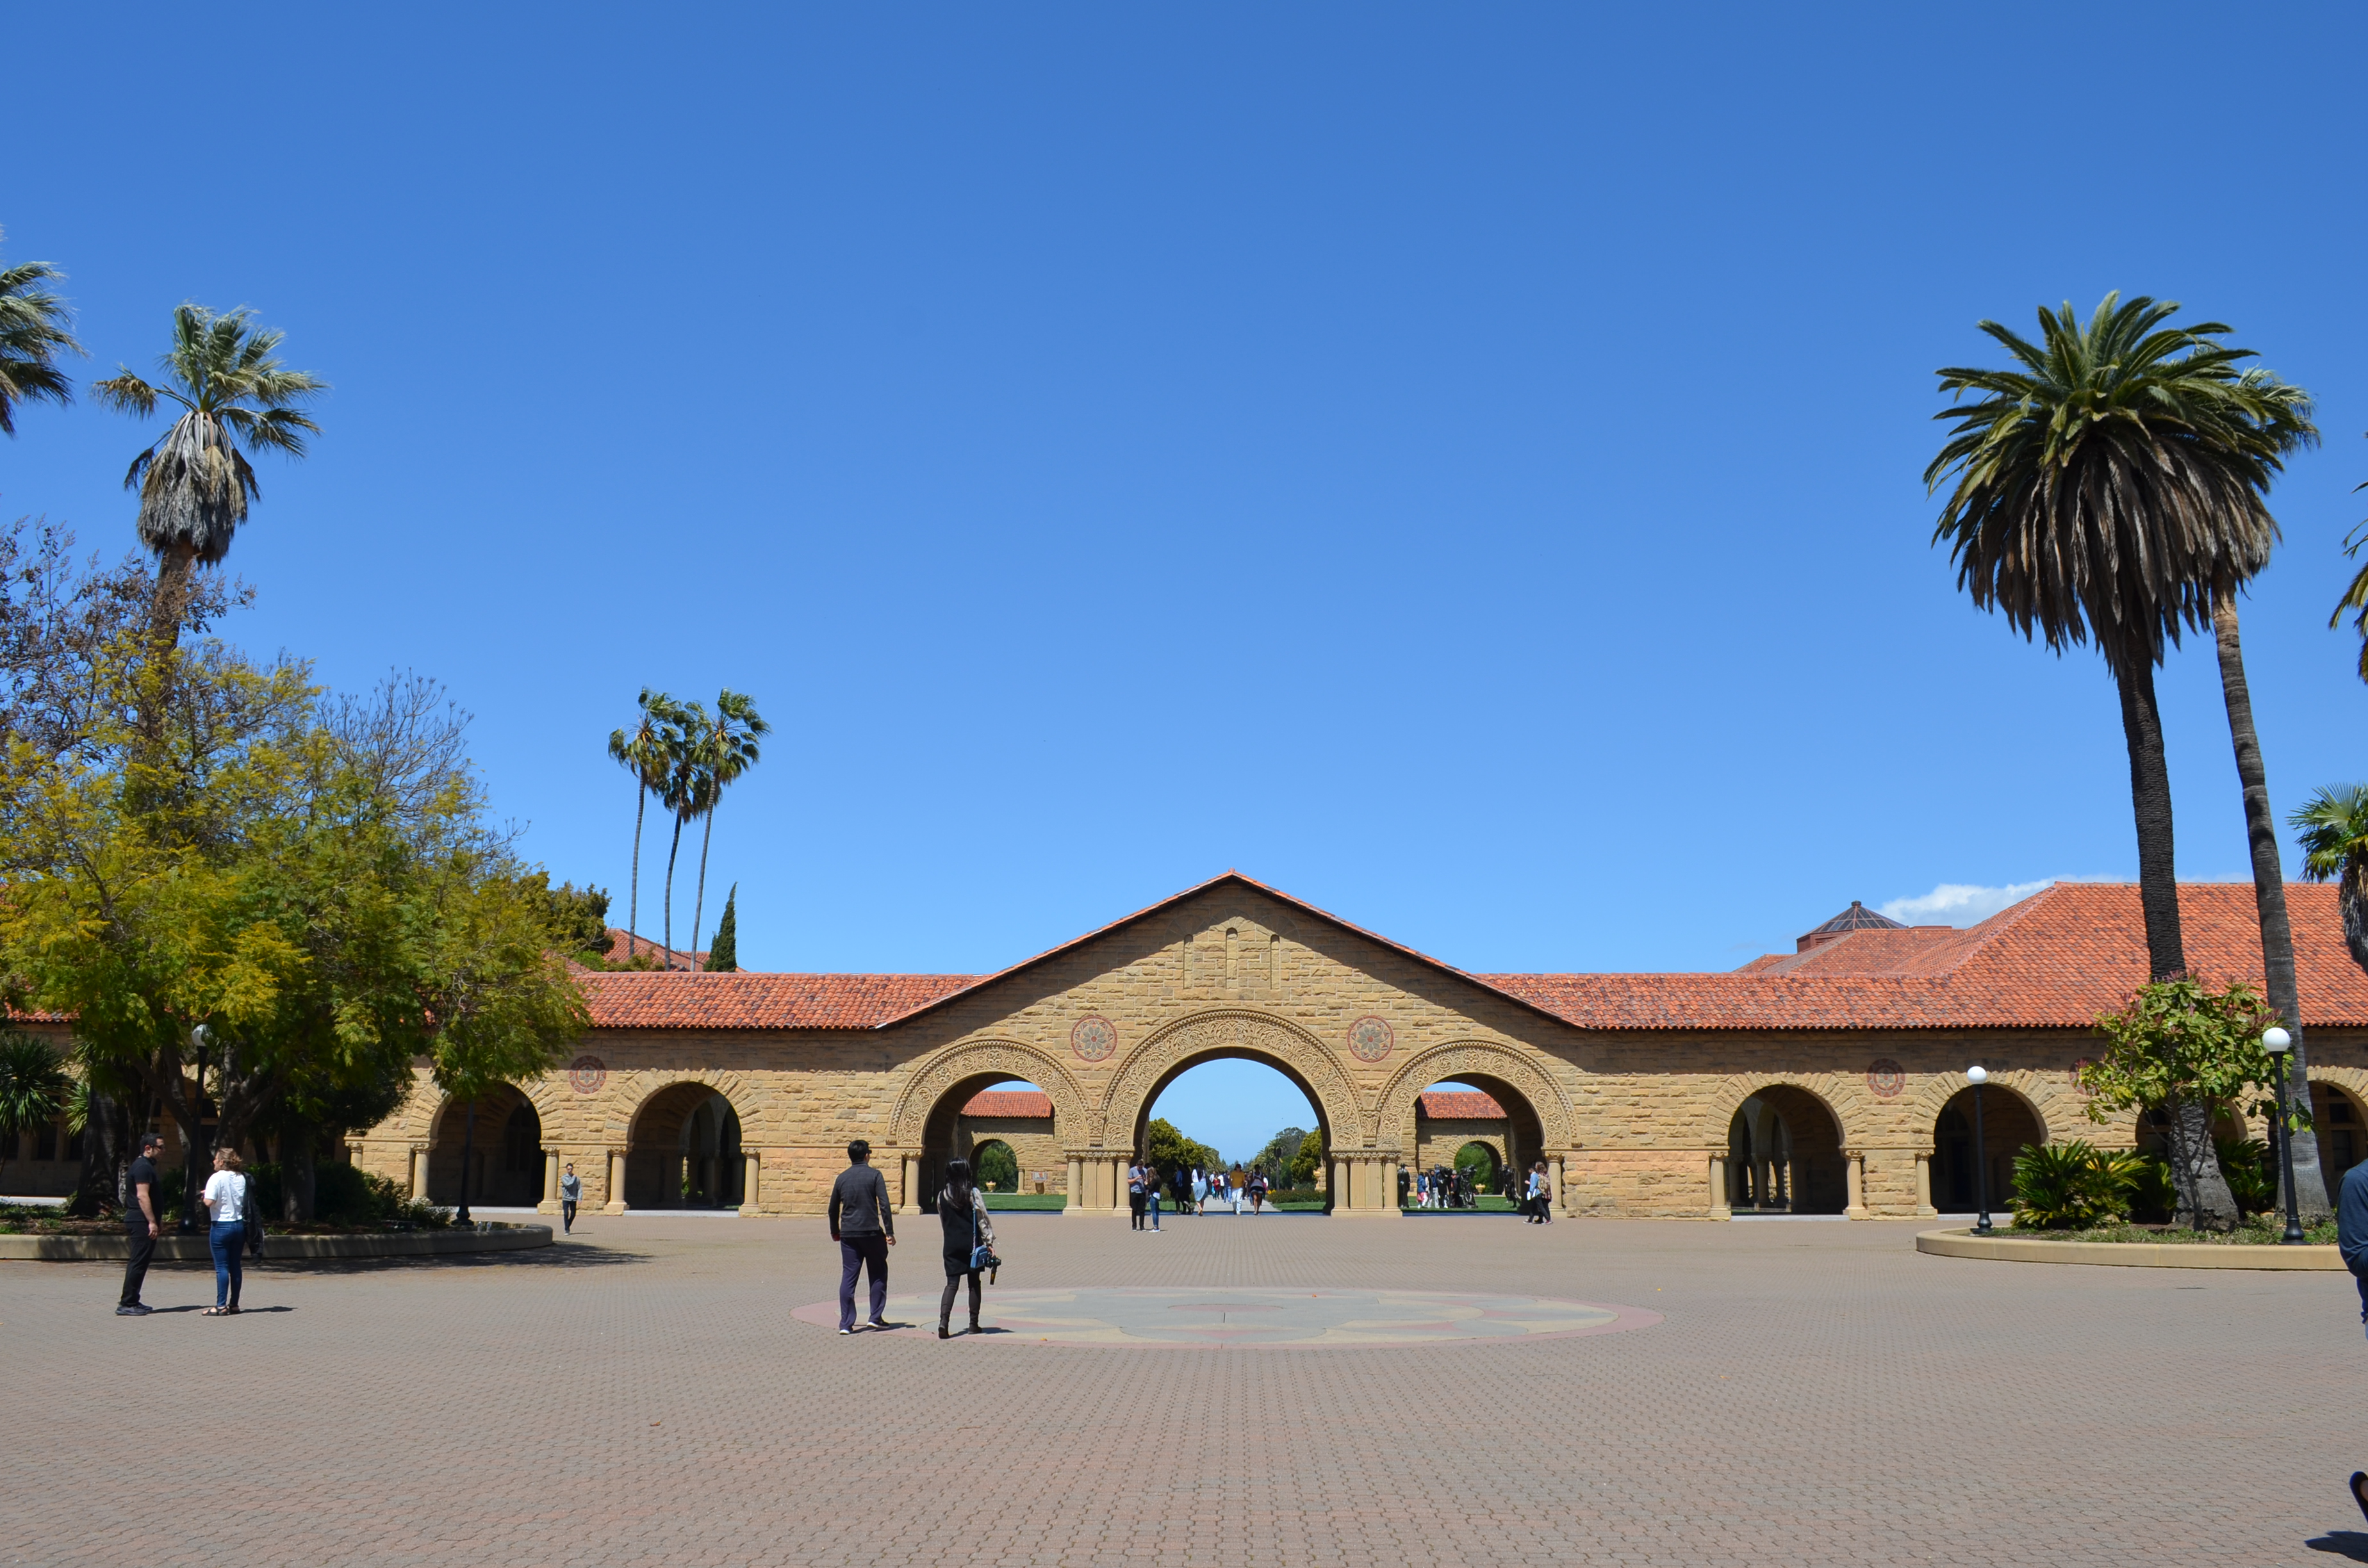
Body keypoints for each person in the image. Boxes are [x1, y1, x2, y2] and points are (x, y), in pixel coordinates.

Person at [828, 1139, 896, 1332]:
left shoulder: (842, 1178)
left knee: (849, 1276)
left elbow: (833, 1209)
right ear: (867, 1155)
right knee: (878, 1273)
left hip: (848, 1234)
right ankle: (875, 1317)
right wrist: (889, 1232)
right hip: (871, 1233)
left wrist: (835, 1231)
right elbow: (884, 1205)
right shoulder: (875, 1175)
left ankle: (846, 1324)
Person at [935, 1156, 996, 1339]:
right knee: (974, 1283)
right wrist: (989, 1242)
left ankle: (943, 1322)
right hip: (972, 1245)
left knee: (951, 1284)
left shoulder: (941, 1196)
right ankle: (973, 1324)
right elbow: (982, 1219)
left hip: (951, 1244)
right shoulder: (973, 1193)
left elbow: (943, 1220)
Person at [199, 1147, 252, 1316]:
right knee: (235, 1265)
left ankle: (220, 1305)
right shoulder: (241, 1178)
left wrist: (204, 1196)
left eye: (216, 1159)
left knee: (222, 1267)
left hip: (221, 1225)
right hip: (238, 1225)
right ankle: (234, 1304)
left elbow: (209, 1202)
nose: (214, 1162)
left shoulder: (216, 1177)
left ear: (222, 1161)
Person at [117, 1132, 164, 1316]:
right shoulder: (143, 1167)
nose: (163, 1151)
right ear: (148, 1148)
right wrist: (151, 1222)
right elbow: (142, 1196)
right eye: (160, 1147)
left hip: (145, 1221)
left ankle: (134, 1300)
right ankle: (127, 1302)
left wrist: (157, 1221)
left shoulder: (146, 1167)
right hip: (139, 1221)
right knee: (138, 1261)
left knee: (142, 1262)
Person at [557, 1162, 581, 1234]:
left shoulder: (577, 1178)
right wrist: (573, 1179)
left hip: (573, 1198)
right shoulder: (564, 1178)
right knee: (566, 1214)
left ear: (573, 1169)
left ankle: (567, 1225)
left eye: (571, 1169)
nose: (570, 1170)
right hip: (566, 1199)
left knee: (573, 1214)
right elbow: (568, 1185)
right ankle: (567, 1229)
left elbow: (579, 1188)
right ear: (567, 1170)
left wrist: (580, 1198)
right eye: (568, 1169)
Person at [1127, 1160, 1147, 1230]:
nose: (1140, 1168)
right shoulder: (1132, 1170)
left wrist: (1144, 1179)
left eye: (1141, 1167)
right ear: (1137, 1165)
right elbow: (1129, 1181)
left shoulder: (1145, 1171)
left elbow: (1147, 1182)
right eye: (1139, 1167)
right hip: (1134, 1191)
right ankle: (1134, 1226)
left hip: (1142, 1192)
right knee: (1134, 1209)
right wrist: (1136, 1178)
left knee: (1142, 1210)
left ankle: (1142, 1226)